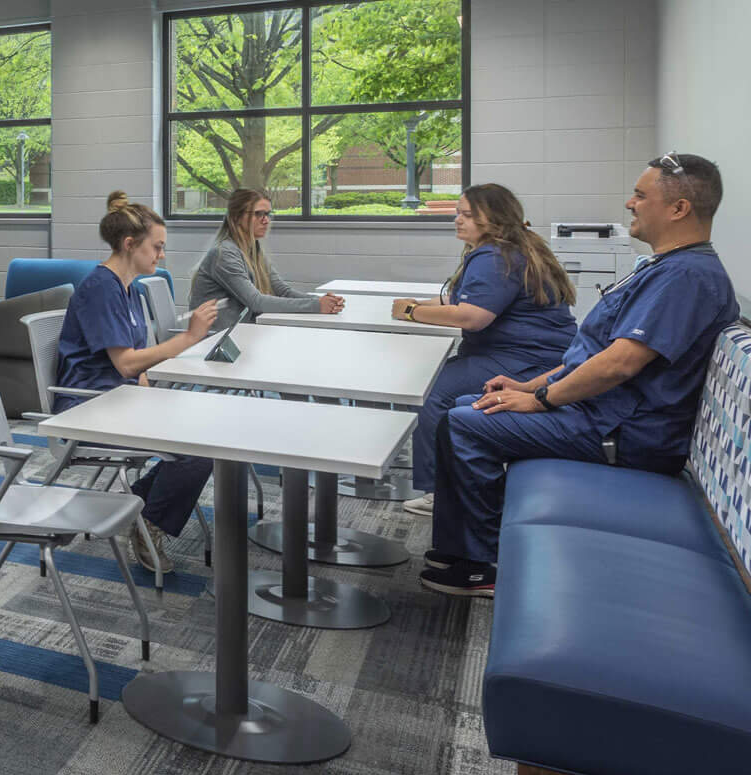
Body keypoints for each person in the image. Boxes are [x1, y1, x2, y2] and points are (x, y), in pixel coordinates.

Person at [423, 154, 736, 598]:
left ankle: (483, 563)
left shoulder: (687, 276)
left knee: (465, 422)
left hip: (623, 433)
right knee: (464, 406)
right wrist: (529, 384)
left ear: (679, 209)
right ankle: (459, 547)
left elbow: (620, 363)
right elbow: (596, 352)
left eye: (641, 196)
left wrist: (541, 400)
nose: (630, 203)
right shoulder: (665, 267)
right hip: (600, 413)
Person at [56, 191, 223, 571]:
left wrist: (150, 395)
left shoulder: (132, 288)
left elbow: (137, 365)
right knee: (198, 450)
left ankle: (137, 506)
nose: (161, 256)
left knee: (208, 433)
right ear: (130, 245)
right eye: (157, 247)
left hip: (119, 399)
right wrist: (189, 338)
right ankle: (148, 523)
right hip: (87, 407)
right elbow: (127, 363)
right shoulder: (101, 288)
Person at [391, 184, 576, 518]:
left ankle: (439, 492)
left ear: (493, 219)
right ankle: (449, 479)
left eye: (467, 215)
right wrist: (419, 304)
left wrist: (410, 312)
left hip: (523, 360)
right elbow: (467, 301)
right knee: (435, 378)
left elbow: (472, 316)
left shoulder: (494, 256)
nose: (457, 221)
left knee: (431, 392)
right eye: (457, 213)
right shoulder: (509, 249)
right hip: (535, 354)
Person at [187, 189, 346, 329]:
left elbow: (283, 291)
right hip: (214, 343)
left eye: (268, 214)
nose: (266, 220)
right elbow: (256, 302)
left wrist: (323, 301)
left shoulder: (254, 251)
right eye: (258, 214)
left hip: (241, 336)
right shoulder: (224, 254)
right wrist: (316, 306)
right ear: (236, 217)